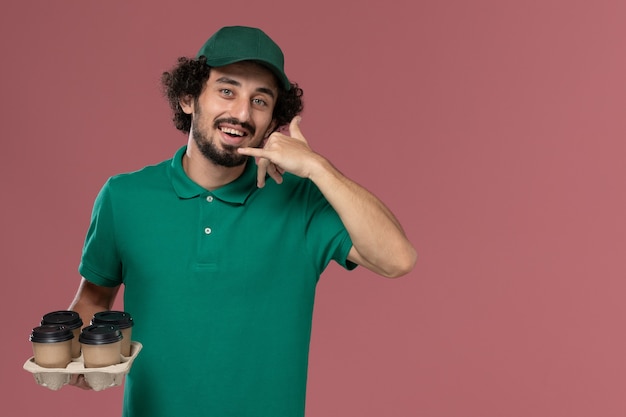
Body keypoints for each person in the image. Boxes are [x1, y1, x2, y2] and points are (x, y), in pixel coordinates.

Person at [68, 25, 416, 417]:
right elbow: (94, 298)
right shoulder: (124, 197)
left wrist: (319, 169)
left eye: (261, 101)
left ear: (273, 120)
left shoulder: (301, 201)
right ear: (188, 98)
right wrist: (74, 349)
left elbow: (397, 259)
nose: (242, 113)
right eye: (227, 91)